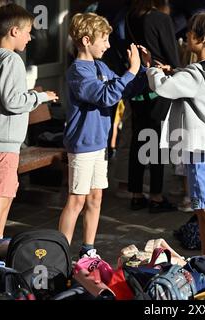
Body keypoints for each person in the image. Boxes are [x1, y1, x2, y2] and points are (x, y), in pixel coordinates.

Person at [58, 12, 149, 258]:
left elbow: (124, 89)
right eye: (104, 40)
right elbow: (105, 95)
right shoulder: (78, 71)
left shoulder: (101, 66)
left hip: (99, 144)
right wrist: (132, 70)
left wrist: (144, 70)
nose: (109, 45)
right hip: (83, 144)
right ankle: (61, 253)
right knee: (76, 200)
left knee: (96, 197)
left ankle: (88, 249)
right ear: (87, 40)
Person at [147, 12, 205, 258]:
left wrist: (151, 69)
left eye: (191, 32)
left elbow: (162, 87)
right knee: (203, 210)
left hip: (199, 148)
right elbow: (192, 80)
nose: (185, 35)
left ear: (202, 38)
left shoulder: (195, 74)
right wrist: (174, 71)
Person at [0, 3, 58, 244]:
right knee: (2, 195)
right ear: (14, 31)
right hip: (5, 139)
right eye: (27, 31)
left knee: (6, 192)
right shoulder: (12, 60)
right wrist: (42, 97)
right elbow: (13, 102)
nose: (30, 37)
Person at [126, 0, 179, 213]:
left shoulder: (131, 15)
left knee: (138, 139)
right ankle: (156, 196)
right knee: (157, 141)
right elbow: (172, 54)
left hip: (136, 83)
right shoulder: (160, 18)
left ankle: (136, 194)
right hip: (158, 84)